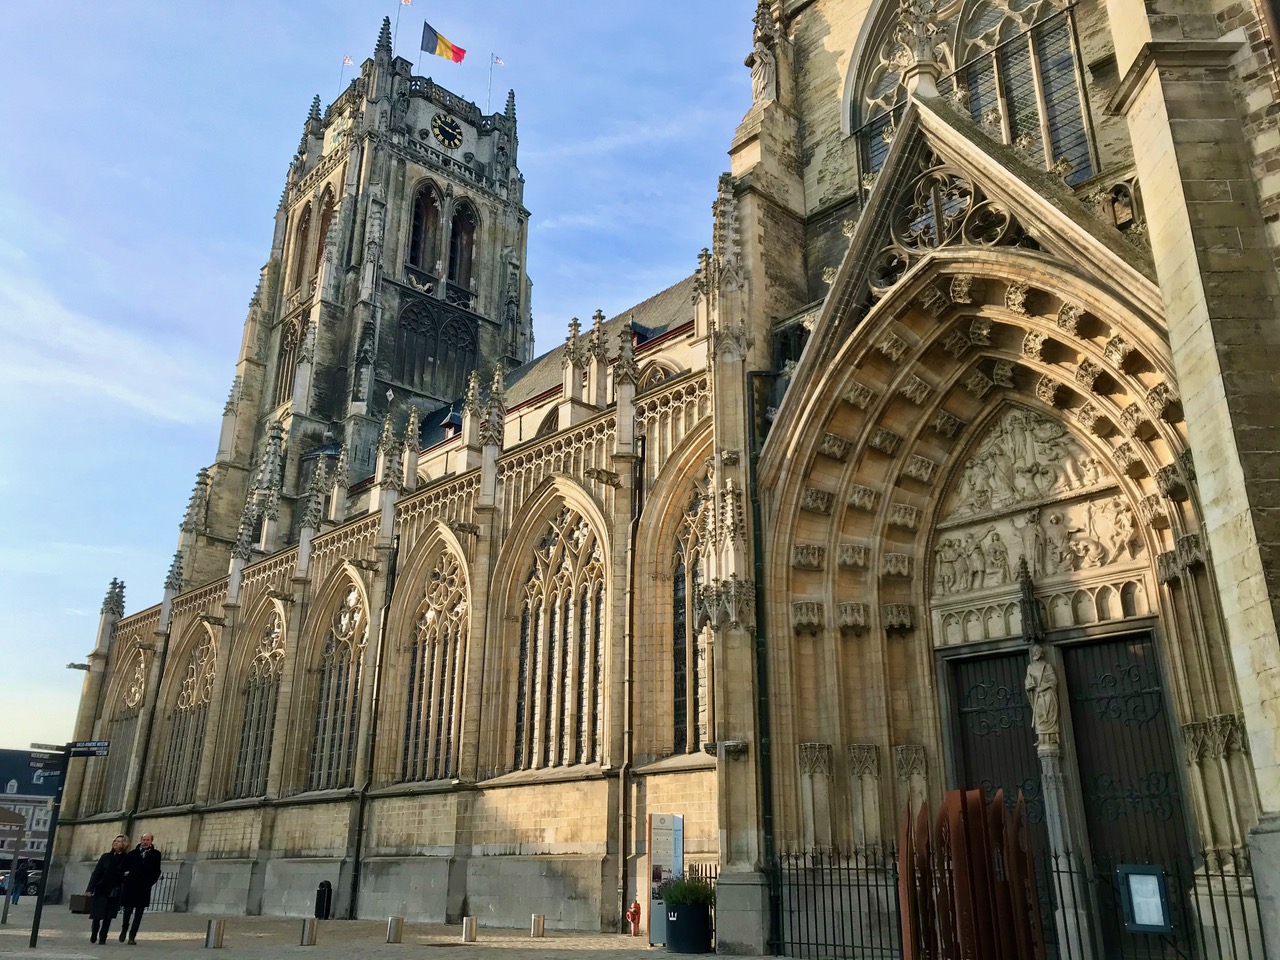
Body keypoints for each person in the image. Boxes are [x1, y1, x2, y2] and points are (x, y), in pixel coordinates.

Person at [119, 833, 162, 944]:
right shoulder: (132, 854)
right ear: (141, 840)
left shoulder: (156, 854)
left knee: (139, 914)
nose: (145, 841)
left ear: (151, 841)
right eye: (143, 839)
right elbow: (124, 868)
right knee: (127, 911)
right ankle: (124, 929)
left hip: (144, 887)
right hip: (130, 886)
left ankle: (132, 936)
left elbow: (157, 871)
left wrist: (150, 882)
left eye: (147, 840)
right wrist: (126, 877)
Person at [86, 835, 129, 944]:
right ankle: (94, 932)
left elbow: (126, 873)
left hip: (114, 890)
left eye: (119, 842)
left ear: (124, 845)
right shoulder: (105, 857)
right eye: (115, 841)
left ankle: (103, 936)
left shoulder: (125, 859)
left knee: (108, 916)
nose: (116, 843)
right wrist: (90, 888)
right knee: (97, 915)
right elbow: (96, 873)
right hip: (101, 888)